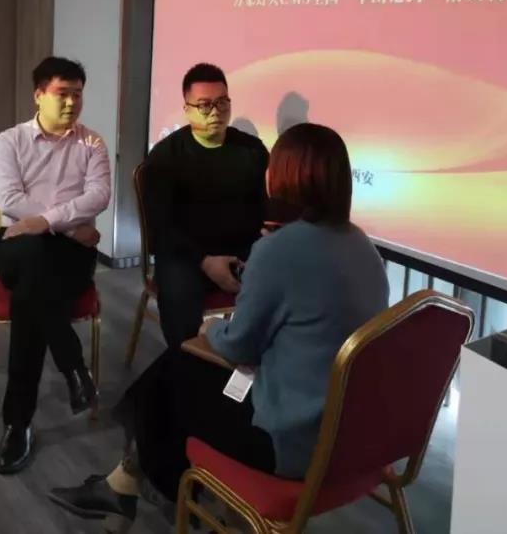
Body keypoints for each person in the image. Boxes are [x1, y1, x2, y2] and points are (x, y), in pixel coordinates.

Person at [48, 123, 389, 529]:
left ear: (283, 178)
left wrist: (212, 330)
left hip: (292, 440)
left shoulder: (278, 250)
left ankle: (149, 487)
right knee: (177, 372)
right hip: (349, 435)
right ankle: (127, 483)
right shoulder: (364, 248)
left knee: (171, 378)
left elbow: (239, 346)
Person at [0, 56, 111, 475]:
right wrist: (69, 225)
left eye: (78, 94)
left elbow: (99, 197)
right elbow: (10, 200)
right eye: (62, 93)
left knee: (31, 297)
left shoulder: (92, 144)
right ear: (39, 95)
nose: (72, 102)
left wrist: (46, 223)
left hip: (68, 257)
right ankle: (73, 366)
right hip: (18, 246)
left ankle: (17, 424)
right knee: (34, 259)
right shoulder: (9, 141)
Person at [144, 63, 269, 348]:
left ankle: (251, 365)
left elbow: (263, 211)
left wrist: (262, 248)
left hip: (242, 250)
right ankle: (189, 365)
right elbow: (161, 227)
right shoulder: (165, 157)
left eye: (222, 102)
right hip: (186, 255)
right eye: (204, 105)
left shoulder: (252, 151)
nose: (215, 112)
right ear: (187, 109)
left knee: (282, 276)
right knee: (179, 295)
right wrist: (205, 261)